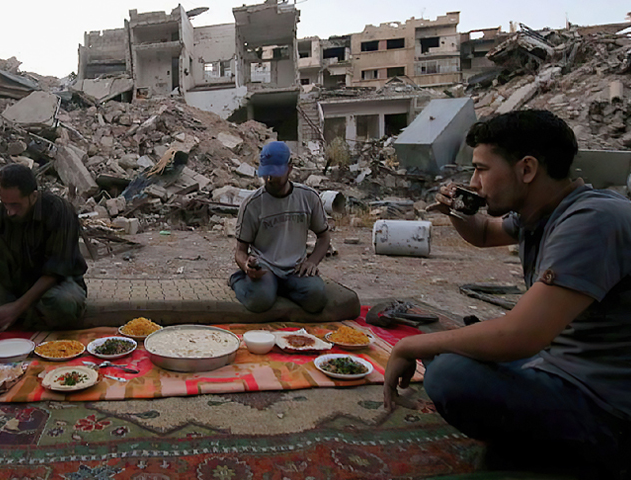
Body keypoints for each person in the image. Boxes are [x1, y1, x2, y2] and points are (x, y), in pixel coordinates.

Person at [382, 110, 630, 478]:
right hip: (559, 367)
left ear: (526, 169)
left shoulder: (592, 221)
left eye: (482, 169)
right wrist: (457, 211)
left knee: (450, 372)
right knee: (454, 351)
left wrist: (410, 346)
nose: (474, 181)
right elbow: (484, 233)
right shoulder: (542, 211)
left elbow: (521, 336)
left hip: (607, 407)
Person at [0, 163, 88, 334]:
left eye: (15, 205)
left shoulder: (59, 211)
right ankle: (3, 310)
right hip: (22, 283)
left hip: (59, 284)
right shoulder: (5, 210)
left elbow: (54, 273)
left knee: (64, 304)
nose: (10, 212)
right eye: (5, 204)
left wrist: (16, 308)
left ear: (33, 196)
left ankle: (15, 315)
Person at [228, 141, 331, 313]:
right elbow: (240, 251)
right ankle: (238, 279)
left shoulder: (308, 197)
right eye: (266, 174)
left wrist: (312, 261)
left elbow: (324, 236)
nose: (269, 179)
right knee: (260, 301)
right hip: (265, 267)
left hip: (295, 268)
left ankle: (278, 287)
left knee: (317, 297)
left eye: (275, 174)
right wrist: (246, 265)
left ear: (289, 168)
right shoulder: (252, 205)